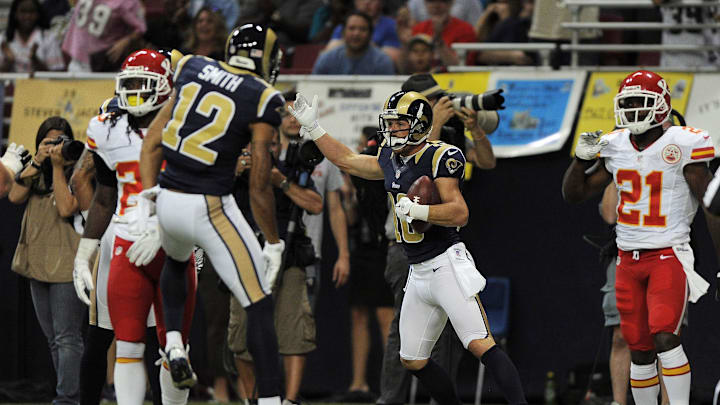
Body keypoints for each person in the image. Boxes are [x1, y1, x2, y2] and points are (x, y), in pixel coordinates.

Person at [288, 90, 527, 405]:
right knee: (412, 359)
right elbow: (347, 159)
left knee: (480, 344)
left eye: (400, 123)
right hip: (417, 269)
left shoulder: (442, 155)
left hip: (446, 263)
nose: (394, 129)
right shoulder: (390, 156)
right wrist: (314, 128)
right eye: (391, 123)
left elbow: (460, 213)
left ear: (419, 124)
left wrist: (420, 211)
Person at [137, 24, 286, 405]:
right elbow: (258, 184)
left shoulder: (191, 66)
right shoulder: (262, 96)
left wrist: (149, 198)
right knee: (259, 303)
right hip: (211, 205)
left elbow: (153, 141)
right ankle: (270, 400)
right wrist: (272, 241)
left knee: (175, 261)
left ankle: (172, 344)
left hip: (169, 196)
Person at [562, 70, 720, 405]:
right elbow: (575, 194)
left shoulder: (683, 143)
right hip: (627, 259)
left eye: (641, 102)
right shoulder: (615, 144)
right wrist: (579, 161)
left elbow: (711, 207)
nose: (634, 109)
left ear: (662, 104)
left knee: (665, 337)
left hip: (668, 254)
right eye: (628, 102)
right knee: (639, 347)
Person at [72, 49, 196, 405]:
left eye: (145, 84)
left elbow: (200, 190)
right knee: (125, 343)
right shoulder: (106, 128)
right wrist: (84, 254)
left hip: (174, 242)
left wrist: (183, 234)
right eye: (131, 84)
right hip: (127, 238)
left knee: (175, 348)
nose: (137, 92)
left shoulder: (185, 126)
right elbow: (104, 195)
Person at [71, 100, 164, 405]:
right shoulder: (173, 119)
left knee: (138, 337)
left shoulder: (172, 118)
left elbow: (81, 180)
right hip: (143, 231)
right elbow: (83, 181)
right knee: (153, 336)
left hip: (131, 230)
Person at [228, 116, 324, 405]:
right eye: (259, 146)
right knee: (241, 332)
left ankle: (290, 400)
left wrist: (280, 182)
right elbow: (210, 200)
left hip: (289, 253)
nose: (264, 150)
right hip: (245, 254)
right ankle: (251, 398)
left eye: (270, 144)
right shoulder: (235, 169)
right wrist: (234, 172)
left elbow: (316, 205)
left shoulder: (289, 167)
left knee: (293, 329)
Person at [9, 116, 86, 405]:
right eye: (49, 141)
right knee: (55, 339)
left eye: (60, 141)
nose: (55, 146)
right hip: (37, 261)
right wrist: (40, 160)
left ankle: (67, 399)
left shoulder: (80, 171)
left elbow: (67, 208)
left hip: (67, 262)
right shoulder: (36, 169)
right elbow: (15, 196)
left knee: (68, 338)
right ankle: (67, 395)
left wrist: (57, 166)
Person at [62, 0, 146, 72]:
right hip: (77, 57)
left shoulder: (126, 2)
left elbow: (140, 27)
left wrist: (126, 40)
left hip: (103, 61)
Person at [312, 11, 395, 75]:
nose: (356, 33)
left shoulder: (382, 61)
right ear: (343, 33)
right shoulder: (327, 59)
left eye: (362, 29)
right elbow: (313, 88)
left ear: (370, 34)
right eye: (351, 28)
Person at [324, 0, 402, 62]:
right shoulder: (345, 25)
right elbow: (329, 53)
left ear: (381, 2)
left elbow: (393, 58)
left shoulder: (392, 26)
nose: (367, 2)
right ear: (355, 2)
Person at [0, 0, 64, 72]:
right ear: (15, 14)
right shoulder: (4, 38)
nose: (28, 16)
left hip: (40, 83)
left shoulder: (48, 37)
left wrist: (35, 59)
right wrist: (9, 61)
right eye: (23, 12)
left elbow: (58, 74)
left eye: (32, 12)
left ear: (38, 14)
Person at [411, 0, 476, 67]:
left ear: (451, 3)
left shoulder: (465, 30)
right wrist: (404, 44)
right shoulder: (418, 29)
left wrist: (439, 40)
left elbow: (459, 67)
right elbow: (405, 69)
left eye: (442, 1)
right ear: (425, 3)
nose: (436, 6)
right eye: (431, 1)